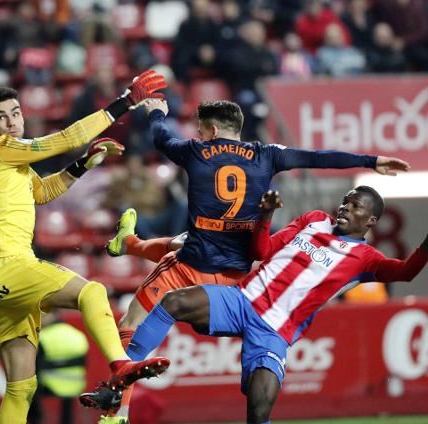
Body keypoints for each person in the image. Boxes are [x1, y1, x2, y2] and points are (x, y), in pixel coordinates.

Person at [80, 98, 410, 421]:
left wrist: (155, 114)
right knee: (179, 243)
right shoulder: (266, 155)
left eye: (200, 129)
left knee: (133, 320)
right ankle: (131, 244)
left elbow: (161, 138)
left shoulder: (196, 151)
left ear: (209, 130)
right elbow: (317, 158)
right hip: (236, 277)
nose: (198, 135)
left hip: (193, 270)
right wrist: (370, 161)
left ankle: (117, 407)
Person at [123, 187, 428, 424]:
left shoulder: (366, 259)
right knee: (174, 300)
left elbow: (406, 272)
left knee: (259, 409)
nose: (345, 207)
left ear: (371, 220)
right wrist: (265, 216)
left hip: (274, 332)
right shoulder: (315, 219)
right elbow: (262, 249)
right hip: (241, 300)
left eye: (355, 205)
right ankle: (122, 372)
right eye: (346, 201)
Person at [0, 69, 171, 424]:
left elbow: (43, 192)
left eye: (15, 112)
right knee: (92, 292)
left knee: (22, 388)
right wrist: (125, 102)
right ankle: (121, 365)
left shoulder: (10, 164)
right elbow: (65, 137)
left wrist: (82, 165)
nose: (11, 121)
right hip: (10, 265)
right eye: (0, 117)